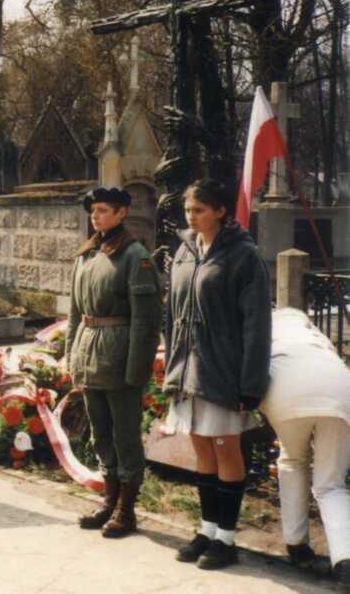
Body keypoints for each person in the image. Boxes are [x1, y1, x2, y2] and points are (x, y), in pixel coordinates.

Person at [162, 179, 271, 570]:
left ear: (221, 211)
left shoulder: (244, 256)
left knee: (226, 450)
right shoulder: (184, 251)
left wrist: (250, 384)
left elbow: (257, 324)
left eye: (199, 210)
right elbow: (171, 314)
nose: (191, 217)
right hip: (187, 371)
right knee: (203, 450)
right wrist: (171, 367)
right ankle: (206, 529)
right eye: (188, 210)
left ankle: (226, 537)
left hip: (223, 371)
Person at [66, 186, 161, 540]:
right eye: (93, 211)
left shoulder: (135, 256)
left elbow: (146, 321)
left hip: (119, 356)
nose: (96, 216)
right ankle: (109, 501)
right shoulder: (86, 255)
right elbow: (75, 313)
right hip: (89, 353)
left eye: (104, 210)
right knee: (101, 433)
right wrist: (71, 358)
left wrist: (137, 369)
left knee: (125, 435)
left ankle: (126, 509)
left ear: (122, 213)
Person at [261, 308, 349, 588]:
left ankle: (296, 545)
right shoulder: (314, 334)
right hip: (340, 390)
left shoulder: (267, 329)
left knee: (293, 460)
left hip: (285, 391)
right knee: (330, 484)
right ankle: (345, 560)